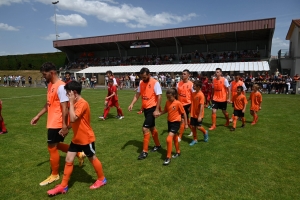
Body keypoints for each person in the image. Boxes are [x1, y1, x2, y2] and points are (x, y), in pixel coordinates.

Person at [47, 81, 106, 196]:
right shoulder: (74, 103)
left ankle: (101, 179)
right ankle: (63, 186)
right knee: (69, 160)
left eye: (68, 93)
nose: (67, 95)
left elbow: (73, 118)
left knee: (92, 158)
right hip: (76, 138)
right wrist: (66, 128)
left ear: (74, 92)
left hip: (86, 138)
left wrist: (70, 102)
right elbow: (73, 122)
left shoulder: (82, 103)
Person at [30, 62, 85, 186]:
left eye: (45, 74)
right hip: (52, 121)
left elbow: (65, 107)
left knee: (52, 147)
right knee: (56, 145)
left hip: (58, 122)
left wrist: (64, 126)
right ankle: (79, 153)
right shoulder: (50, 85)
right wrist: (38, 115)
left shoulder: (60, 86)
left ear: (52, 72)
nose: (44, 76)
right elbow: (48, 103)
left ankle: (55, 174)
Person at [128, 67, 162, 160]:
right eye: (141, 77)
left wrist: (157, 109)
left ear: (149, 75)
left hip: (152, 108)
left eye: (144, 77)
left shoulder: (155, 83)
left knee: (145, 128)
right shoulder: (141, 82)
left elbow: (159, 96)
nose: (143, 79)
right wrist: (132, 104)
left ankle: (145, 151)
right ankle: (158, 145)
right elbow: (138, 94)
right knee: (152, 128)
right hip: (146, 109)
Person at [158, 88, 187, 165]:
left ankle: (168, 157)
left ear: (174, 95)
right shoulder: (167, 102)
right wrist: (159, 114)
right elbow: (165, 110)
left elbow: (184, 113)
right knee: (174, 138)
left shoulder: (178, 103)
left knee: (168, 139)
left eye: (170, 97)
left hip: (176, 123)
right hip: (169, 122)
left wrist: (186, 124)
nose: (168, 99)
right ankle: (178, 152)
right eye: (167, 97)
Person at [189, 80, 208, 145]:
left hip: (199, 114)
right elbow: (192, 102)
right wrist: (190, 108)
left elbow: (202, 106)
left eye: (194, 86)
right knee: (193, 127)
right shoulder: (193, 93)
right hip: (193, 113)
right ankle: (195, 139)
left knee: (198, 127)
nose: (193, 86)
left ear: (198, 87)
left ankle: (205, 132)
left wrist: (199, 116)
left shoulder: (201, 95)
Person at [176, 69, 193, 141]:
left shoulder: (191, 84)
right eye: (182, 74)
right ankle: (192, 130)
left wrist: (191, 106)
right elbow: (177, 94)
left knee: (182, 120)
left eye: (184, 74)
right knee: (186, 120)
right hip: (180, 104)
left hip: (187, 104)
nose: (183, 75)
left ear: (188, 75)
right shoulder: (178, 84)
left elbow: (193, 96)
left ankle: (180, 136)